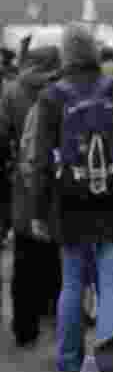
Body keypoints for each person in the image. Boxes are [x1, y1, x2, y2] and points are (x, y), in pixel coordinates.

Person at [27, 24, 113, 372]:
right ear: (95, 51)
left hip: (69, 203)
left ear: (65, 53)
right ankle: (109, 366)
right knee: (112, 287)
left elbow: (40, 160)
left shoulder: (52, 97)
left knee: (71, 284)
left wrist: (38, 208)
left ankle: (69, 360)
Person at [0, 45, 62, 347]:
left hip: (25, 183)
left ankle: (25, 325)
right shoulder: (63, 90)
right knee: (58, 255)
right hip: (61, 183)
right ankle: (54, 310)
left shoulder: (12, 92)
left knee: (24, 256)